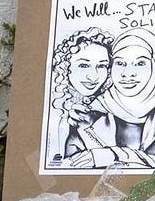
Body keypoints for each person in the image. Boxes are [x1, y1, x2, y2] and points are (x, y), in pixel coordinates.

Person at [67, 29, 155, 169]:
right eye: (120, 63)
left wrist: (115, 155)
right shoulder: (89, 112)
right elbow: (69, 167)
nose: (128, 74)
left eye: (140, 63)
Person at [44, 28, 112, 168]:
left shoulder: (108, 109)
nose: (93, 76)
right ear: (65, 66)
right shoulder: (52, 110)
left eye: (102, 65)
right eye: (84, 65)